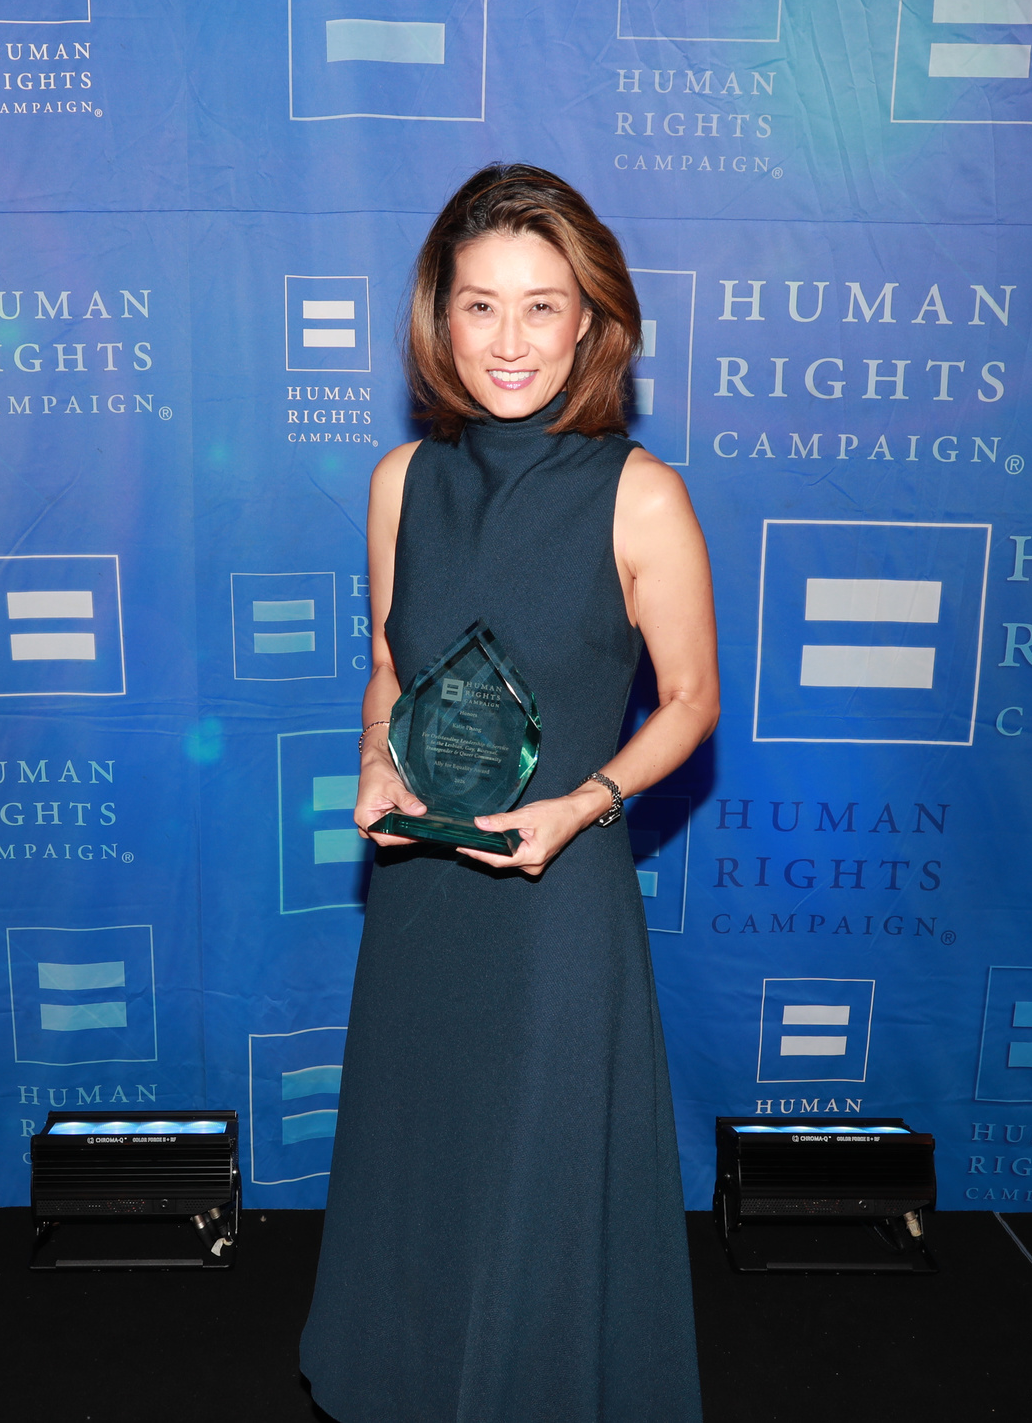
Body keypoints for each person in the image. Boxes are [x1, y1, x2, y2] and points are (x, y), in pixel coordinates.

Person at [299, 164, 718, 1422]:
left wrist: (580, 805)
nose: (510, 339)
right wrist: (378, 759)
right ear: (440, 319)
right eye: (479, 306)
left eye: (543, 306)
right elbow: (389, 664)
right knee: (425, 1159)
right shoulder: (401, 483)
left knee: (537, 1177)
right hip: (425, 892)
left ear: (594, 320)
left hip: (555, 900)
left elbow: (690, 700)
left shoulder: (641, 495)